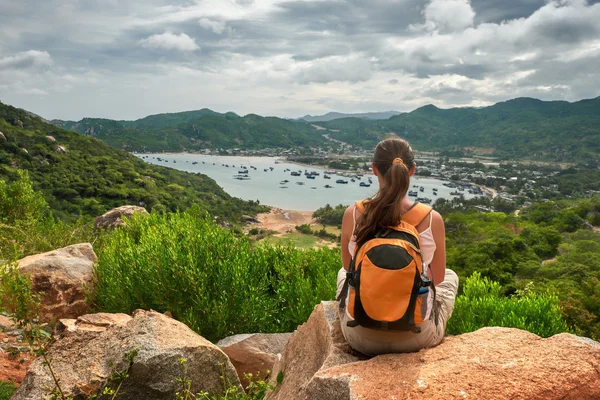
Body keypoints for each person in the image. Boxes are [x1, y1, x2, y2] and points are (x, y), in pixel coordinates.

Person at [337, 137, 458, 355]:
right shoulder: (432, 220)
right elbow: (437, 279)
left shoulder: (353, 214)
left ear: (374, 169)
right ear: (411, 170)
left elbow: (349, 269)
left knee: (341, 273)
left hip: (360, 336)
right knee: (450, 276)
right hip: (415, 337)